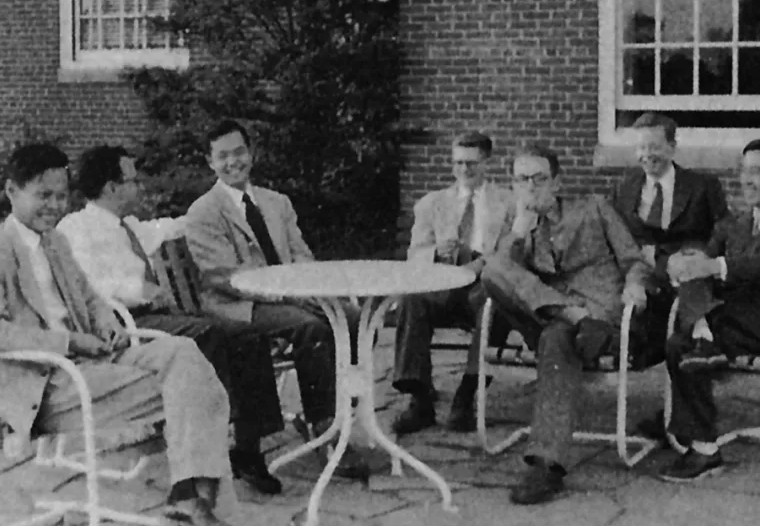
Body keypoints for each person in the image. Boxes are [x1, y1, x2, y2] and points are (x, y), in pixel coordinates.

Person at [0, 143, 236, 526]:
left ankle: (189, 494)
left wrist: (107, 323)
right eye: (43, 195)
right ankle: (195, 498)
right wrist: (71, 342)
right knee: (191, 384)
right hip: (44, 385)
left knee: (184, 352)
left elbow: (91, 299)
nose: (54, 206)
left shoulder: (56, 242)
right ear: (12, 191)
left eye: (61, 196)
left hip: (91, 362)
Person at [56, 145, 285, 495]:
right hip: (124, 324)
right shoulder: (76, 228)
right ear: (111, 187)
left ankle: (248, 446)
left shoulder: (129, 226)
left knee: (245, 334)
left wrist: (218, 209)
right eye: (132, 180)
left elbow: (172, 227)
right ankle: (219, 427)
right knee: (208, 333)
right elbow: (87, 285)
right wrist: (139, 290)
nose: (139, 186)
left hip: (156, 318)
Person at [184, 119, 369, 481]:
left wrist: (309, 289)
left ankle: (343, 412)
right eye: (223, 156)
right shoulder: (203, 212)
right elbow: (224, 276)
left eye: (239, 152)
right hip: (238, 306)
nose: (233, 162)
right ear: (210, 162)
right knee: (312, 328)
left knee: (352, 317)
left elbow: (300, 254)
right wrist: (288, 295)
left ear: (251, 153)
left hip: (287, 295)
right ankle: (324, 428)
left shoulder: (276, 202)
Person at [480, 143, 650, 505]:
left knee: (557, 338)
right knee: (493, 271)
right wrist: (519, 233)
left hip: (600, 321)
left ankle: (546, 464)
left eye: (539, 178)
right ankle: (568, 314)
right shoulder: (517, 225)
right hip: (551, 317)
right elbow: (501, 274)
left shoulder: (594, 208)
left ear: (557, 183)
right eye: (521, 180)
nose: (530, 187)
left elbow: (634, 260)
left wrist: (635, 285)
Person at [658, 139, 760, 482]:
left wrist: (713, 266)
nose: (745, 180)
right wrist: (682, 264)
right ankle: (704, 445)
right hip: (728, 325)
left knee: (684, 342)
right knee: (680, 339)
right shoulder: (732, 225)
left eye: (756, 172)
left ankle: (697, 434)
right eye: (743, 171)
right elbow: (703, 264)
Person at [609, 113, 728, 436]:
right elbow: (615, 234)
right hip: (643, 271)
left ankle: (701, 340)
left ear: (673, 147)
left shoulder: (702, 186)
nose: (646, 155)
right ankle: (699, 339)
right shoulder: (625, 187)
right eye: (641, 147)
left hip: (689, 275)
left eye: (655, 146)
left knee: (687, 268)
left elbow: (723, 229)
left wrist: (701, 255)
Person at [391, 131, 513, 435]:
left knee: (496, 303)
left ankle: (466, 396)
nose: (463, 170)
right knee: (412, 298)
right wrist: (435, 252)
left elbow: (511, 252)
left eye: (471, 163)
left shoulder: (508, 203)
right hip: (444, 280)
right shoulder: (432, 204)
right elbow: (415, 254)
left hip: (484, 280)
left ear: (487, 162)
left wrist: (480, 263)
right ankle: (419, 398)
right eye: (458, 163)